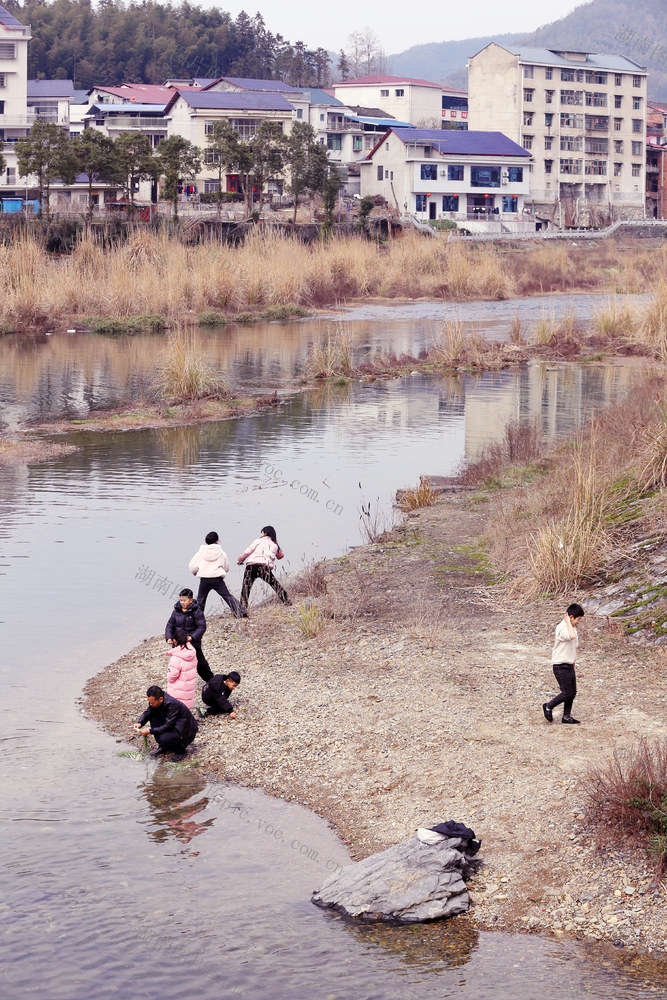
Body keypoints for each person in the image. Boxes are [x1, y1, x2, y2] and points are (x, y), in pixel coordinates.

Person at [543, 603, 585, 725]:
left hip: (569, 664)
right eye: (578, 619)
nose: (578, 622)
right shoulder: (562, 628)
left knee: (572, 692)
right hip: (560, 665)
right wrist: (567, 622)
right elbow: (571, 636)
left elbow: (573, 646)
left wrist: (573, 662)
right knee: (566, 693)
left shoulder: (573, 628)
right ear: (571, 617)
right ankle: (548, 706)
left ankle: (566, 716)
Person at [189, 530, 246, 619]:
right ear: (217, 541)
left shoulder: (201, 552)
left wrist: (195, 572)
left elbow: (192, 565)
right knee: (227, 596)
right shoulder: (222, 553)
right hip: (217, 579)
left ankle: (196, 618)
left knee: (201, 599)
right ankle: (241, 613)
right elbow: (226, 567)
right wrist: (222, 571)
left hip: (204, 579)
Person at [133, 685, 198, 761]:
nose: (150, 704)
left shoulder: (172, 704)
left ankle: (181, 751)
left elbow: (168, 725)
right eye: (149, 702)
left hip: (185, 730)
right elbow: (148, 712)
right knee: (153, 717)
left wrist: (150, 731)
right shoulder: (155, 702)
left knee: (165, 737)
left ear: (160, 699)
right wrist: (140, 723)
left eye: (152, 703)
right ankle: (164, 746)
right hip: (173, 724)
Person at [237, 525, 291, 609]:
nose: (261, 534)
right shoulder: (275, 544)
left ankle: (242, 609)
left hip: (251, 567)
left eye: (261, 532)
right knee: (275, 585)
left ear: (265, 533)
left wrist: (240, 560)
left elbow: (247, 551)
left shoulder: (258, 540)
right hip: (263, 568)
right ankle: (287, 601)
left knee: (246, 589)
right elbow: (280, 556)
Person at [165, 588, 211, 682]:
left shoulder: (197, 611)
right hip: (177, 644)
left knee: (201, 664)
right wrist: (168, 637)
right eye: (181, 600)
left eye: (184, 600)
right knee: (178, 664)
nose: (182, 602)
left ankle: (211, 681)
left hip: (192, 644)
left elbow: (201, 627)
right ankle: (179, 681)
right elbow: (170, 626)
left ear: (191, 599)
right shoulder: (176, 611)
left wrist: (191, 637)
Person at [166, 629, 197, 710]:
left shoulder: (176, 657)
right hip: (189, 687)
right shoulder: (192, 652)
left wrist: (169, 679)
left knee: (176, 710)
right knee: (186, 709)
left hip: (177, 690)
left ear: (175, 641)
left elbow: (172, 676)